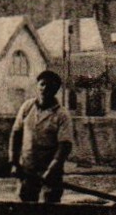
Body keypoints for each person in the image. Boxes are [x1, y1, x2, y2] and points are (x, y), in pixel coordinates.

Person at [8, 70, 73, 203]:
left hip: (51, 170)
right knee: (26, 207)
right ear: (37, 86)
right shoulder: (27, 107)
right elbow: (16, 134)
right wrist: (14, 162)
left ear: (56, 90)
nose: (45, 89)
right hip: (28, 168)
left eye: (50, 86)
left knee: (51, 208)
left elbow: (64, 146)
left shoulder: (62, 114)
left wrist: (51, 170)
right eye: (42, 84)